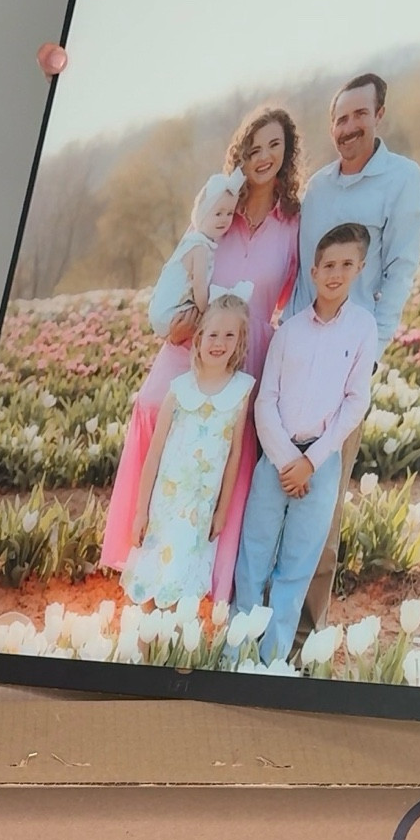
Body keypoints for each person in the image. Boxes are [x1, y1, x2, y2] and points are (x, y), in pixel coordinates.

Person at [101, 107, 301, 603]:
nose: (264, 157)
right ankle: (144, 545)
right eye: (253, 149)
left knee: (232, 447)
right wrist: (178, 323)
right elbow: (180, 274)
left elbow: (289, 300)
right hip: (196, 337)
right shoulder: (219, 215)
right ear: (240, 155)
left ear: (287, 153)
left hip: (250, 346)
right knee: (153, 408)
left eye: (274, 146)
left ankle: (212, 573)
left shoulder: (293, 223)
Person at [289, 72, 420, 631]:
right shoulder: (317, 188)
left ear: (379, 115)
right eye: (340, 119)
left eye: (358, 116)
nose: (348, 128)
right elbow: (301, 272)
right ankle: (257, 618)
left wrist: (373, 352)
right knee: (278, 490)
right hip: (295, 359)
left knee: (323, 500)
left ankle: (304, 629)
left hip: (348, 367)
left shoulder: (401, 178)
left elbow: (400, 271)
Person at [233, 223, 376, 666]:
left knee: (295, 566)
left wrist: (310, 462)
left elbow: (355, 403)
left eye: (346, 265)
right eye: (328, 265)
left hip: (320, 462)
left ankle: (273, 660)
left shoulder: (362, 329)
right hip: (275, 459)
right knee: (253, 557)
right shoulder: (289, 331)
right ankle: (235, 653)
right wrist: (284, 460)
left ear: (359, 268)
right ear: (313, 271)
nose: (336, 273)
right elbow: (266, 400)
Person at [122, 293, 252, 614]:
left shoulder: (241, 389)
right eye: (212, 334)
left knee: (183, 584)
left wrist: (222, 510)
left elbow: (234, 455)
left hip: (200, 510)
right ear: (198, 339)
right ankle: (143, 650)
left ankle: (173, 651)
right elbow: (154, 454)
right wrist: (141, 511)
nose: (219, 342)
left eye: (229, 335)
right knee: (152, 582)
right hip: (166, 505)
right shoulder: (179, 388)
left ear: (240, 342)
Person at [148, 170, 245, 337]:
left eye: (229, 213)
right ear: (202, 213)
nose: (224, 219)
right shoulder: (200, 248)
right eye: (218, 213)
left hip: (160, 312)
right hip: (170, 315)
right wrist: (206, 313)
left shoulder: (192, 241)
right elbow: (199, 286)